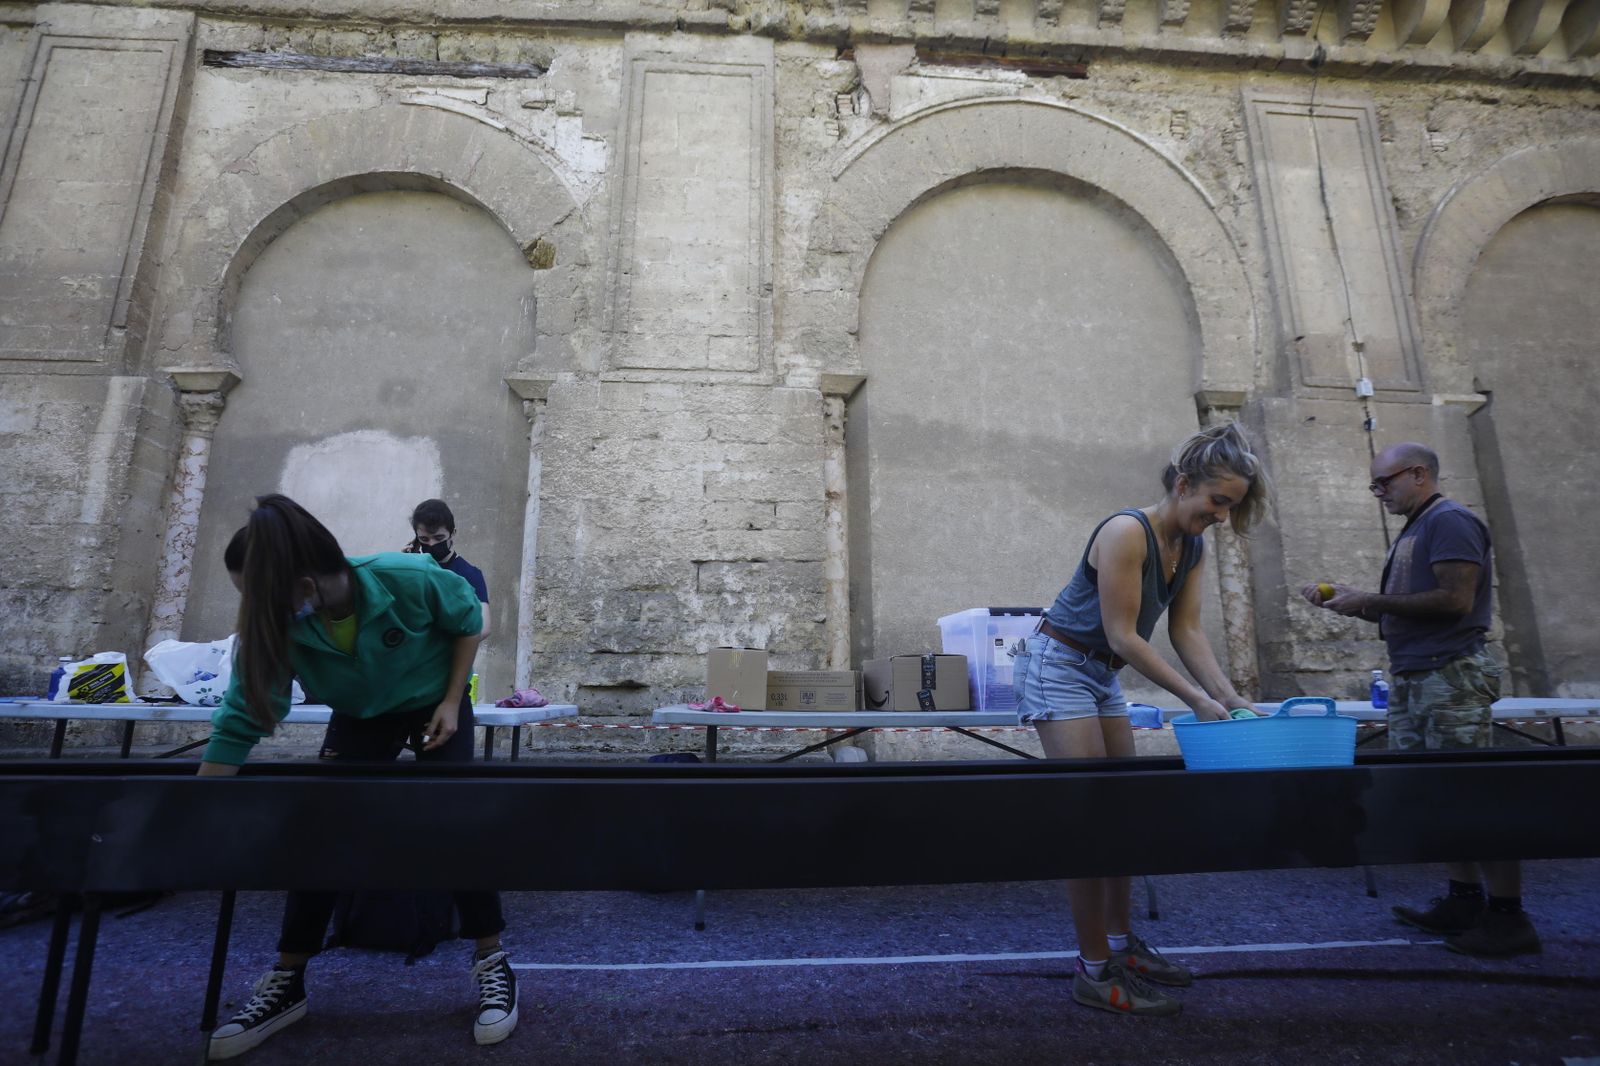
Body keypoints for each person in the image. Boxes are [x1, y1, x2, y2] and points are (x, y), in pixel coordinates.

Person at [202, 496, 517, 1060]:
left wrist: (450, 701)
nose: (252, 608)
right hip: (360, 713)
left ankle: (492, 960)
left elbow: (469, 621)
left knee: (456, 823)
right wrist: (193, 806)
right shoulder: (279, 625)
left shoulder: (409, 577)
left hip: (432, 703)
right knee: (323, 827)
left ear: (304, 583)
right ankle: (287, 980)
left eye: (256, 595)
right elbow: (243, 715)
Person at [1014, 422, 1271, 1017]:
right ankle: (1093, 969)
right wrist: (1196, 701)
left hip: (1099, 674)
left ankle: (1124, 948)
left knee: (1120, 813)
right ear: (1184, 484)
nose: (1222, 517)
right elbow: (1124, 636)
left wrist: (1230, 697)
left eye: (1230, 507)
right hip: (1059, 665)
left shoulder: (1194, 546)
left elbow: (1186, 631)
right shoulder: (1126, 532)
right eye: (1217, 502)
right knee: (1086, 820)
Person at [1300, 441, 1538, 958]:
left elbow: (1456, 600)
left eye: (1383, 482)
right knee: (1437, 798)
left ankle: (1508, 917)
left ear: (1419, 474)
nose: (1377, 492)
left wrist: (1370, 599)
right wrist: (1351, 601)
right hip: (1416, 675)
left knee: (1474, 798)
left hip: (1448, 675)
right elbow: (1406, 609)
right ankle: (1464, 901)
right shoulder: (1417, 528)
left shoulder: (1449, 521)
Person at [403, 498, 491, 639]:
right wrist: (402, 567)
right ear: (416, 540)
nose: (432, 544)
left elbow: (484, 628)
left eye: (438, 538)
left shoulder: (469, 574)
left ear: (453, 533)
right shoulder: (412, 568)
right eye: (424, 539)